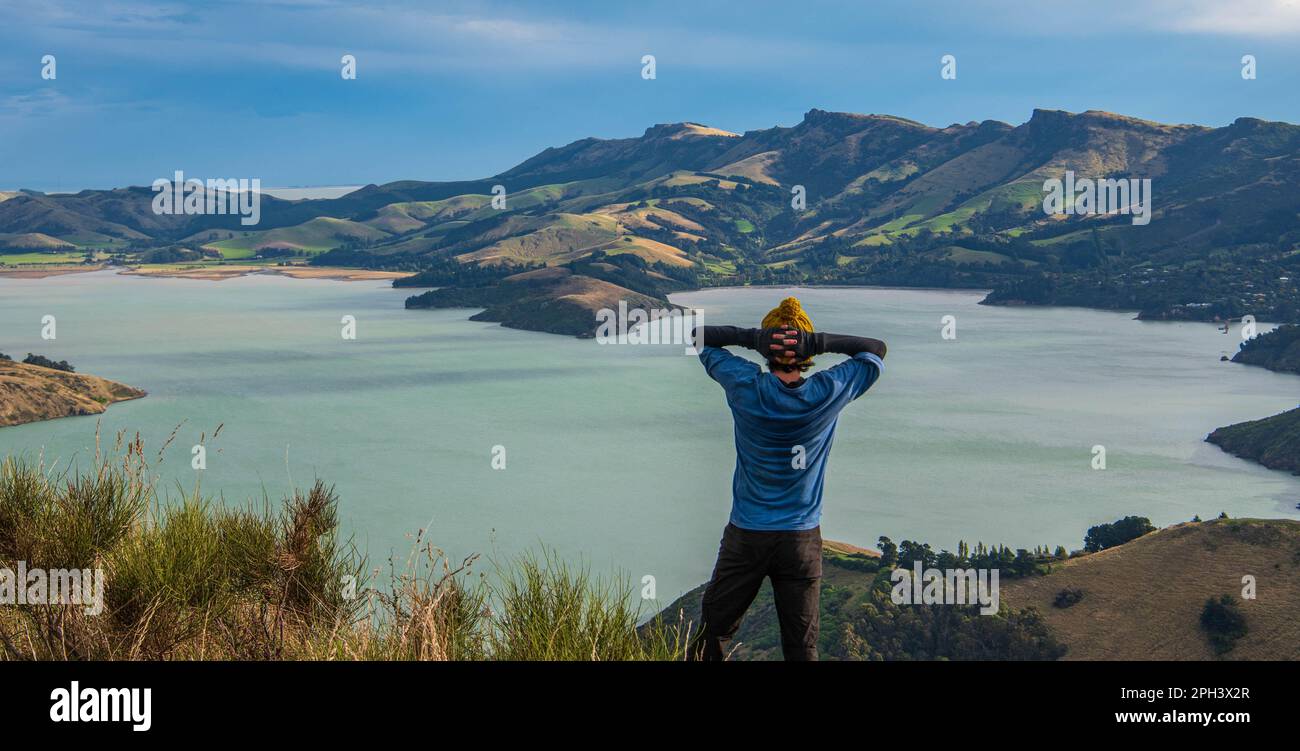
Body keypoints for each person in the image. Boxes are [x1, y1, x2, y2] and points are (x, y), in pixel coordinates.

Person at [689, 296, 886, 661]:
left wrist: (753, 337)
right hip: (801, 540)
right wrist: (818, 343)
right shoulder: (827, 391)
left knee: (713, 633)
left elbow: (700, 337)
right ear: (806, 351)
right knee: (801, 646)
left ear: (768, 348)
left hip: (747, 535)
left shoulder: (746, 385)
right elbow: (875, 349)